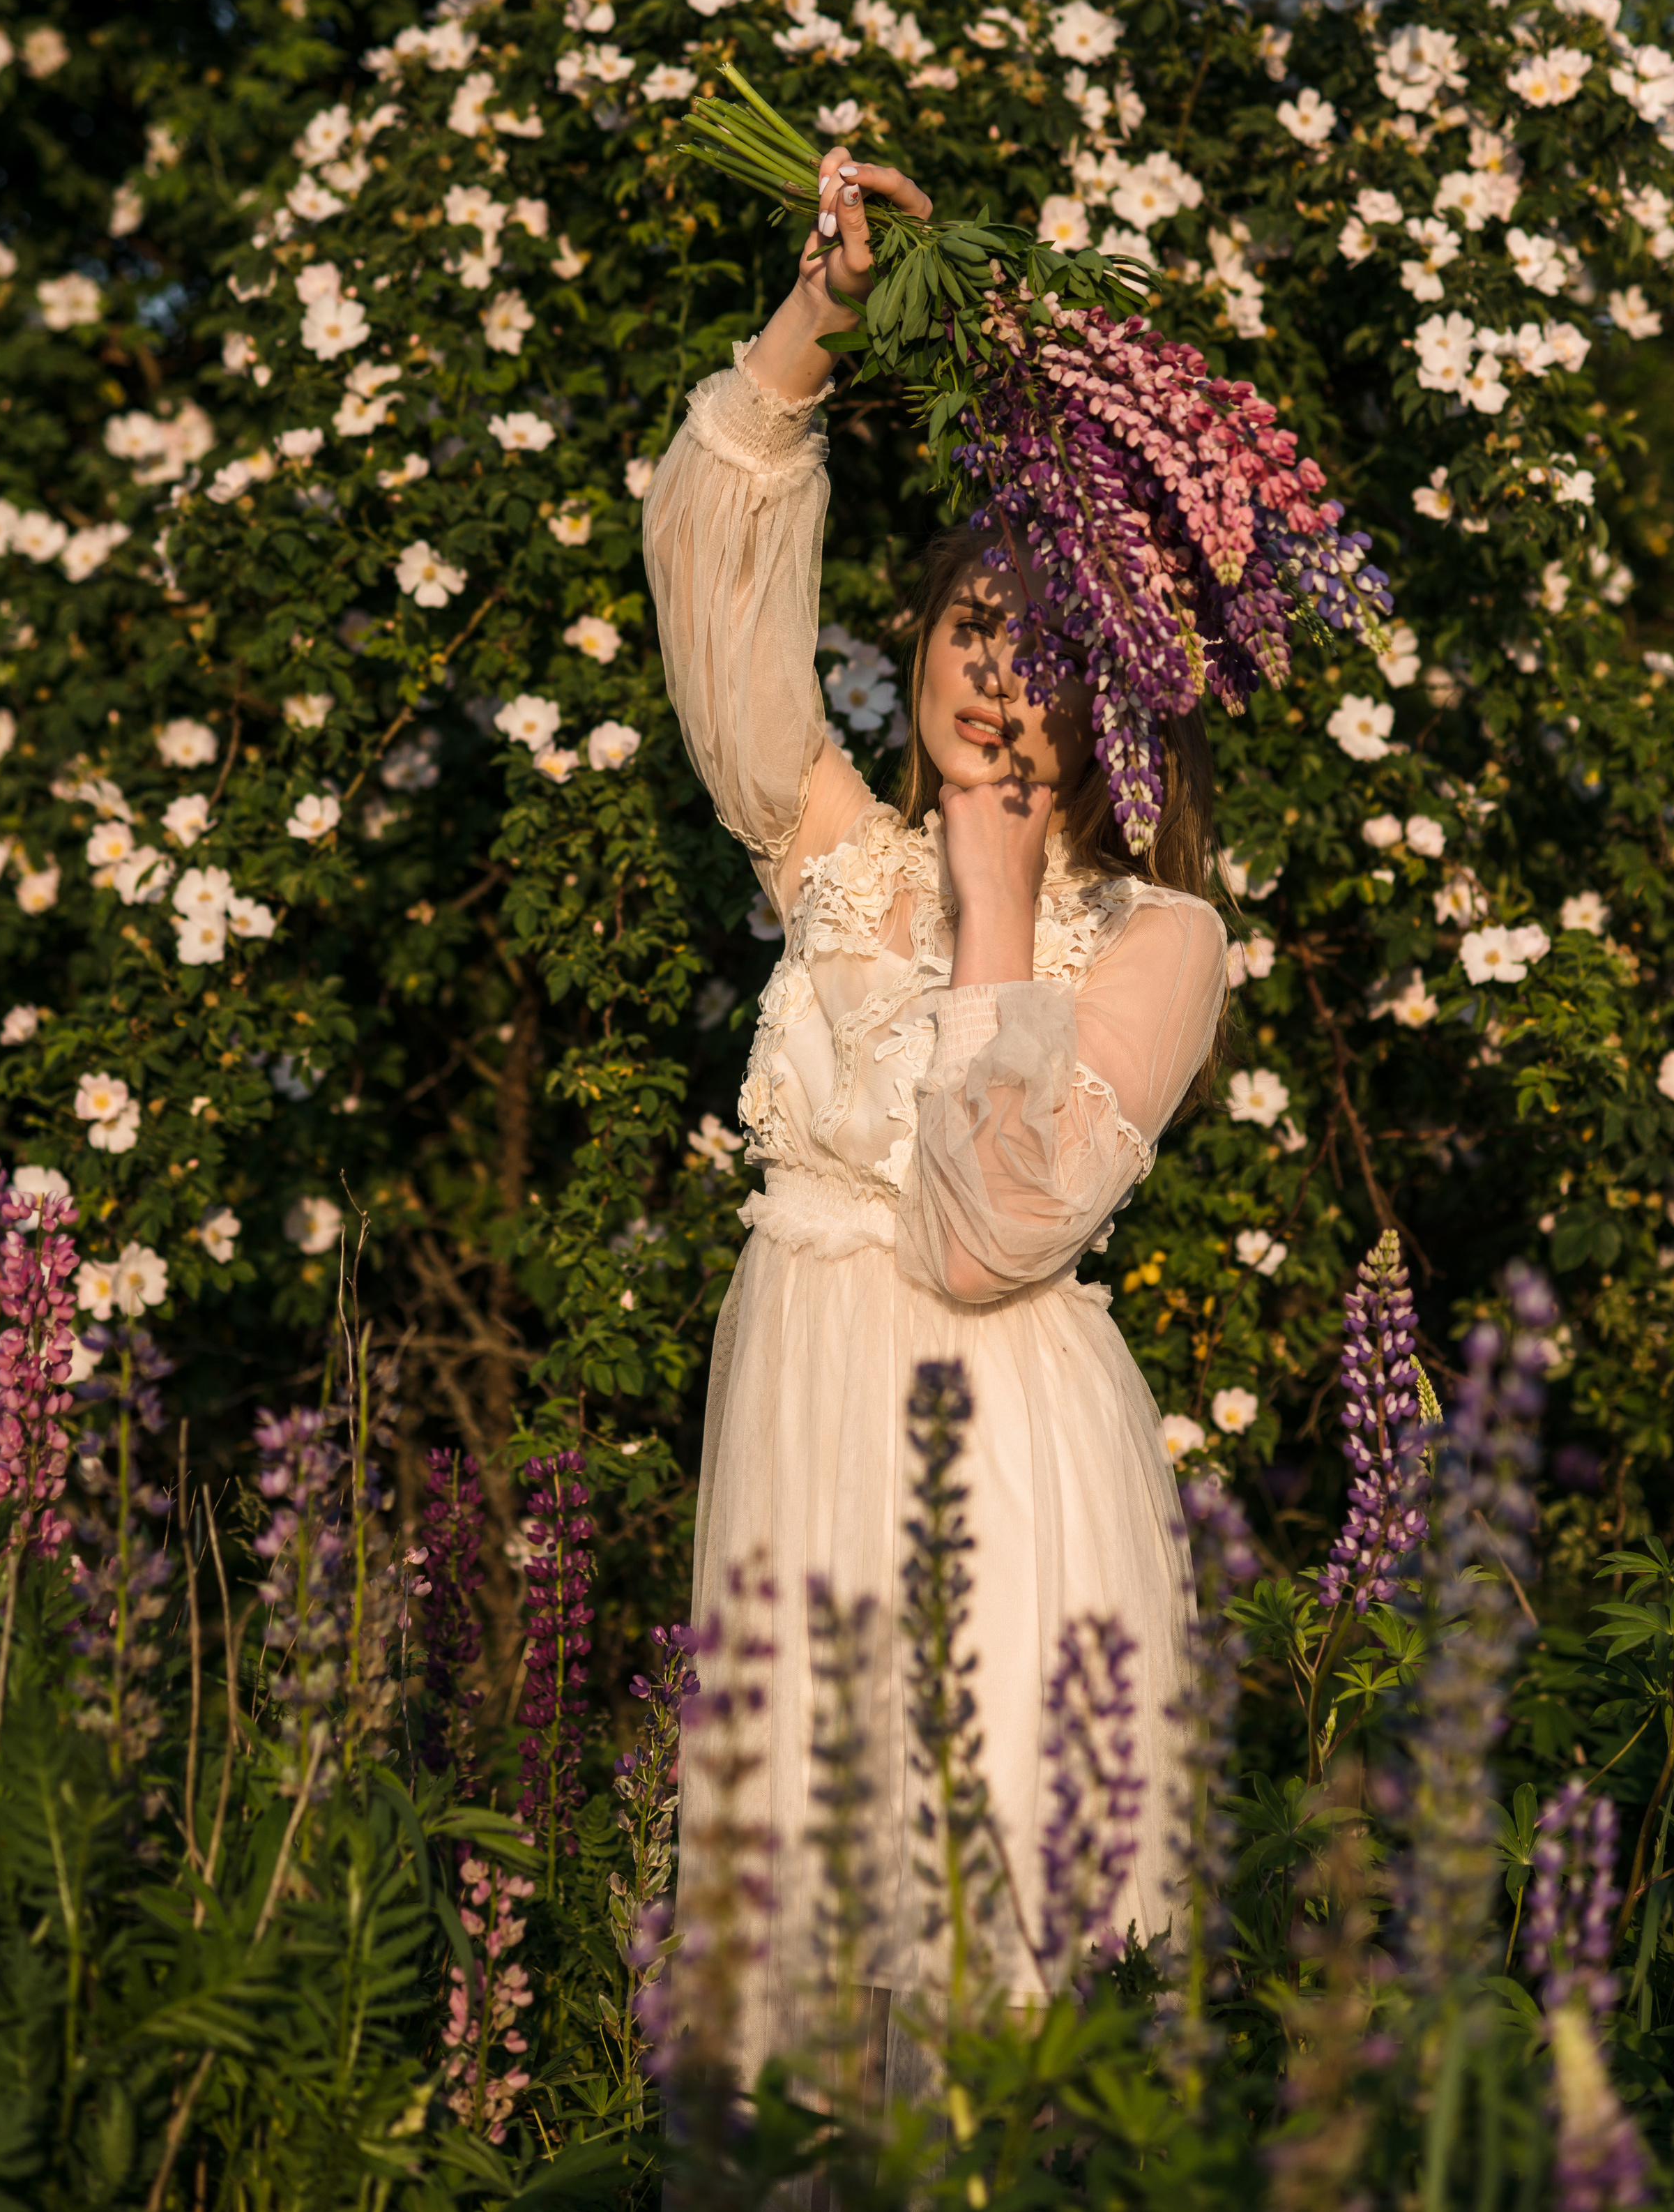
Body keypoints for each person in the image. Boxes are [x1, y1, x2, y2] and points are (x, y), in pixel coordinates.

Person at [640, 146, 1228, 2108]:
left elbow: (988, 1235)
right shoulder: (837, 854)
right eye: (976, 623)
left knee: (998, 1972)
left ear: (1118, 694)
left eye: (1049, 642)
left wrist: (993, 896)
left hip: (1007, 1466)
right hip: (804, 1427)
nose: (999, 671)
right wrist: (813, 320)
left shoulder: (1155, 939)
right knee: (800, 1980)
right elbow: (722, 626)